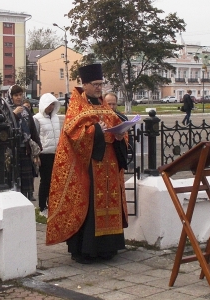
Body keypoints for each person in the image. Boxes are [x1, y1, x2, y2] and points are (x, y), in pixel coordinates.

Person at [46, 64, 129, 264]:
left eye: (101, 84)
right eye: (96, 84)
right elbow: (73, 134)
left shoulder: (104, 105)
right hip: (89, 166)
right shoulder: (77, 105)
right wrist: (97, 131)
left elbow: (115, 126)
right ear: (85, 84)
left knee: (109, 203)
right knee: (90, 206)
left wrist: (120, 136)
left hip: (109, 164)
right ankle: (86, 250)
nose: (100, 88)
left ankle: (107, 248)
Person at [4, 85, 42, 201]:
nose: (19, 97)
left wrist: (37, 149)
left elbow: (32, 130)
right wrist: (14, 114)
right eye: (16, 95)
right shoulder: (6, 110)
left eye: (20, 95)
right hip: (12, 149)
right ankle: (15, 198)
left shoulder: (25, 110)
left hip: (26, 148)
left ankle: (28, 195)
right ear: (11, 97)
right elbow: (4, 129)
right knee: (15, 175)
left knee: (27, 175)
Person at [33, 93, 61, 217]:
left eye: (53, 105)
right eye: (49, 105)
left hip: (56, 153)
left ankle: (53, 204)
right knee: (45, 181)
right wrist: (36, 155)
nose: (51, 107)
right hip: (44, 154)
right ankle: (42, 206)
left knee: (55, 181)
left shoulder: (55, 118)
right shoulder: (37, 118)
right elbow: (35, 137)